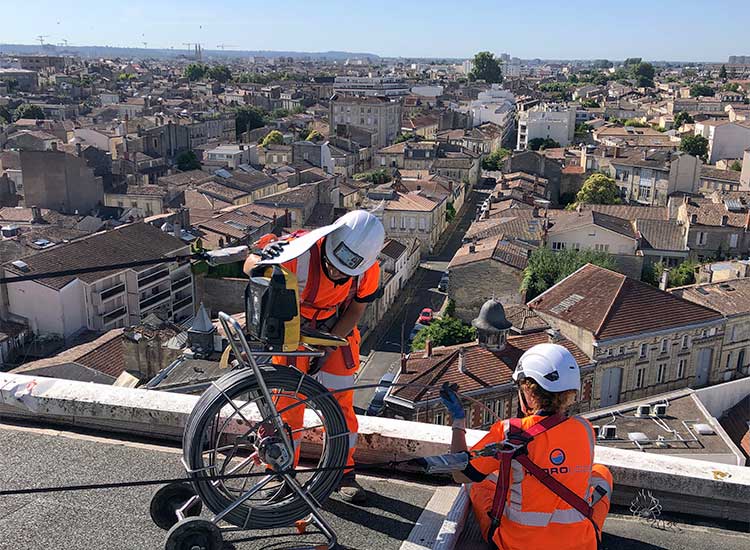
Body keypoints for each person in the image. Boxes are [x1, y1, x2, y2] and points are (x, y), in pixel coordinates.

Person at [244, 210, 385, 504]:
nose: (336, 273)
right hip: (292, 328)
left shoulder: (368, 270)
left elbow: (356, 310)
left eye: (344, 272)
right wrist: (261, 259)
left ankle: (342, 473)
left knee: (340, 405)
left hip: (337, 329)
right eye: (332, 266)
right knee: (285, 405)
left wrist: (329, 345)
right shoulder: (300, 248)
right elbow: (249, 265)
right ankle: (280, 472)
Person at [440, 343, 613, 550]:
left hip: (516, 545)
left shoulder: (509, 432)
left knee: (478, 482)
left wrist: (458, 421)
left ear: (529, 393)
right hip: (579, 545)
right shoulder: (585, 429)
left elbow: (461, 474)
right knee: (602, 473)